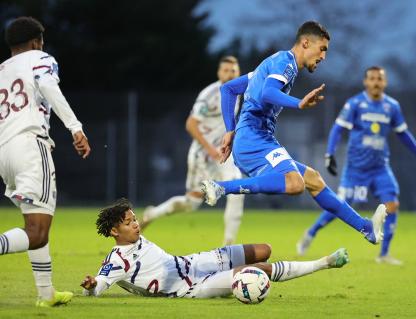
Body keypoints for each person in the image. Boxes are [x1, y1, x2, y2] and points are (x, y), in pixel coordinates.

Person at [200, 21, 387, 245]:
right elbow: (268, 93)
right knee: (294, 183)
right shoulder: (285, 63)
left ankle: (366, 228)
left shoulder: (271, 63)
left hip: (253, 138)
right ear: (306, 42)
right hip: (254, 137)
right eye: (323, 49)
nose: (323, 57)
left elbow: (228, 89)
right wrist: (299, 103)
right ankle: (220, 187)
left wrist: (230, 130)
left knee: (313, 180)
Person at [296, 66, 416, 264]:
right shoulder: (355, 104)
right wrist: (330, 153)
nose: (375, 82)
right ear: (365, 82)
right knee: (340, 207)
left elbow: (403, 133)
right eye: (372, 78)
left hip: (381, 168)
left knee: (392, 204)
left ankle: (384, 254)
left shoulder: (392, 106)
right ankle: (311, 232)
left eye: (379, 79)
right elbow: (338, 129)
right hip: (356, 170)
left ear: (385, 83)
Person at [81, 198, 349, 298]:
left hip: (194, 263)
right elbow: (101, 284)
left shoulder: (135, 239)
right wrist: (93, 285)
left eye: (136, 219)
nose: (137, 225)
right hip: (193, 288)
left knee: (263, 249)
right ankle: (324, 262)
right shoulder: (117, 261)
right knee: (257, 270)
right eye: (130, 223)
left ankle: (258, 274)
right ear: (115, 231)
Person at [0, 17, 91, 307]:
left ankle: (46, 293)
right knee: (37, 233)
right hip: (30, 145)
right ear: (37, 41)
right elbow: (47, 83)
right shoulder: (40, 58)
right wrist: (75, 127)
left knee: (34, 220)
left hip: (5, 151)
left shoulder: (2, 70)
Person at [140, 56, 245, 245]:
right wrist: (210, 149)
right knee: (191, 203)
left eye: (234, 70)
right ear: (219, 72)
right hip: (203, 155)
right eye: (226, 70)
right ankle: (152, 213)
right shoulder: (210, 94)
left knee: (238, 189)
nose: (230, 74)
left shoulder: (238, 92)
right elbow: (191, 124)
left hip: (223, 154)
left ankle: (228, 246)